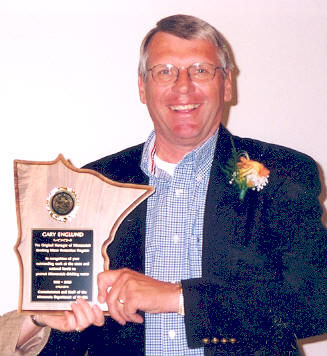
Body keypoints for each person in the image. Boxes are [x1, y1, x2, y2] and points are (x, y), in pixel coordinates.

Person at [1, 14, 327, 356]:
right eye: (165, 71)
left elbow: (315, 301)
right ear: (143, 87)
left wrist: (176, 297)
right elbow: (73, 330)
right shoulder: (92, 183)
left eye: (200, 69)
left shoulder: (283, 175)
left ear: (227, 84)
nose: (183, 86)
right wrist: (38, 319)